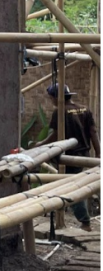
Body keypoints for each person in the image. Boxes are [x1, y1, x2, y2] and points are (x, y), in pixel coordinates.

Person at [37, 83, 99, 230]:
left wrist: (40, 144)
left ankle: (85, 222)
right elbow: (93, 132)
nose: (51, 100)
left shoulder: (60, 112)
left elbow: (55, 136)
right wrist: (98, 153)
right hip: (84, 154)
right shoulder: (84, 109)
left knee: (71, 188)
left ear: (55, 98)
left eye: (51, 98)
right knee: (75, 184)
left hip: (69, 156)